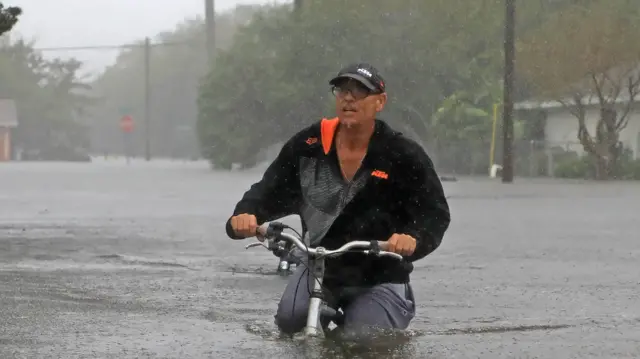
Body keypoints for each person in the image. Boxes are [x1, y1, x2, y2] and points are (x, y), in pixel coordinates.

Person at [225, 63, 451, 336]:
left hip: (381, 274)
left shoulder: (402, 154)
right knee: (290, 322)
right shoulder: (309, 145)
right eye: (343, 90)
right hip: (321, 269)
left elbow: (435, 213)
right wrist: (246, 214)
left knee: (362, 340)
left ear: (380, 101)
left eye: (360, 92)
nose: (349, 98)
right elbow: (268, 190)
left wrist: (414, 239)